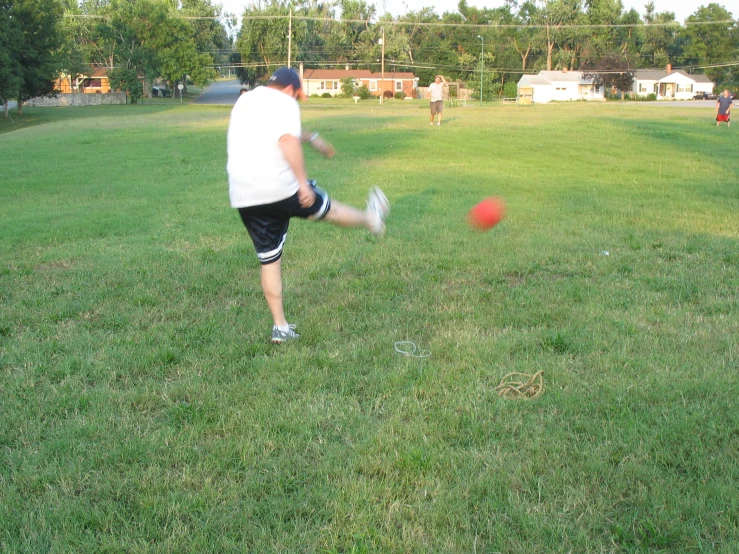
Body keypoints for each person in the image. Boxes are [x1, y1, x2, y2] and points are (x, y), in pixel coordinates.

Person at [227, 67, 389, 344]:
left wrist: (313, 138)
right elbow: (286, 138)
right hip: (279, 187)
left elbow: (275, 130)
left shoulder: (246, 100)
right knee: (329, 210)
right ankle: (372, 219)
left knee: (269, 258)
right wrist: (302, 183)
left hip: (244, 194)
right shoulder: (286, 102)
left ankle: (280, 327)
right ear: (291, 90)